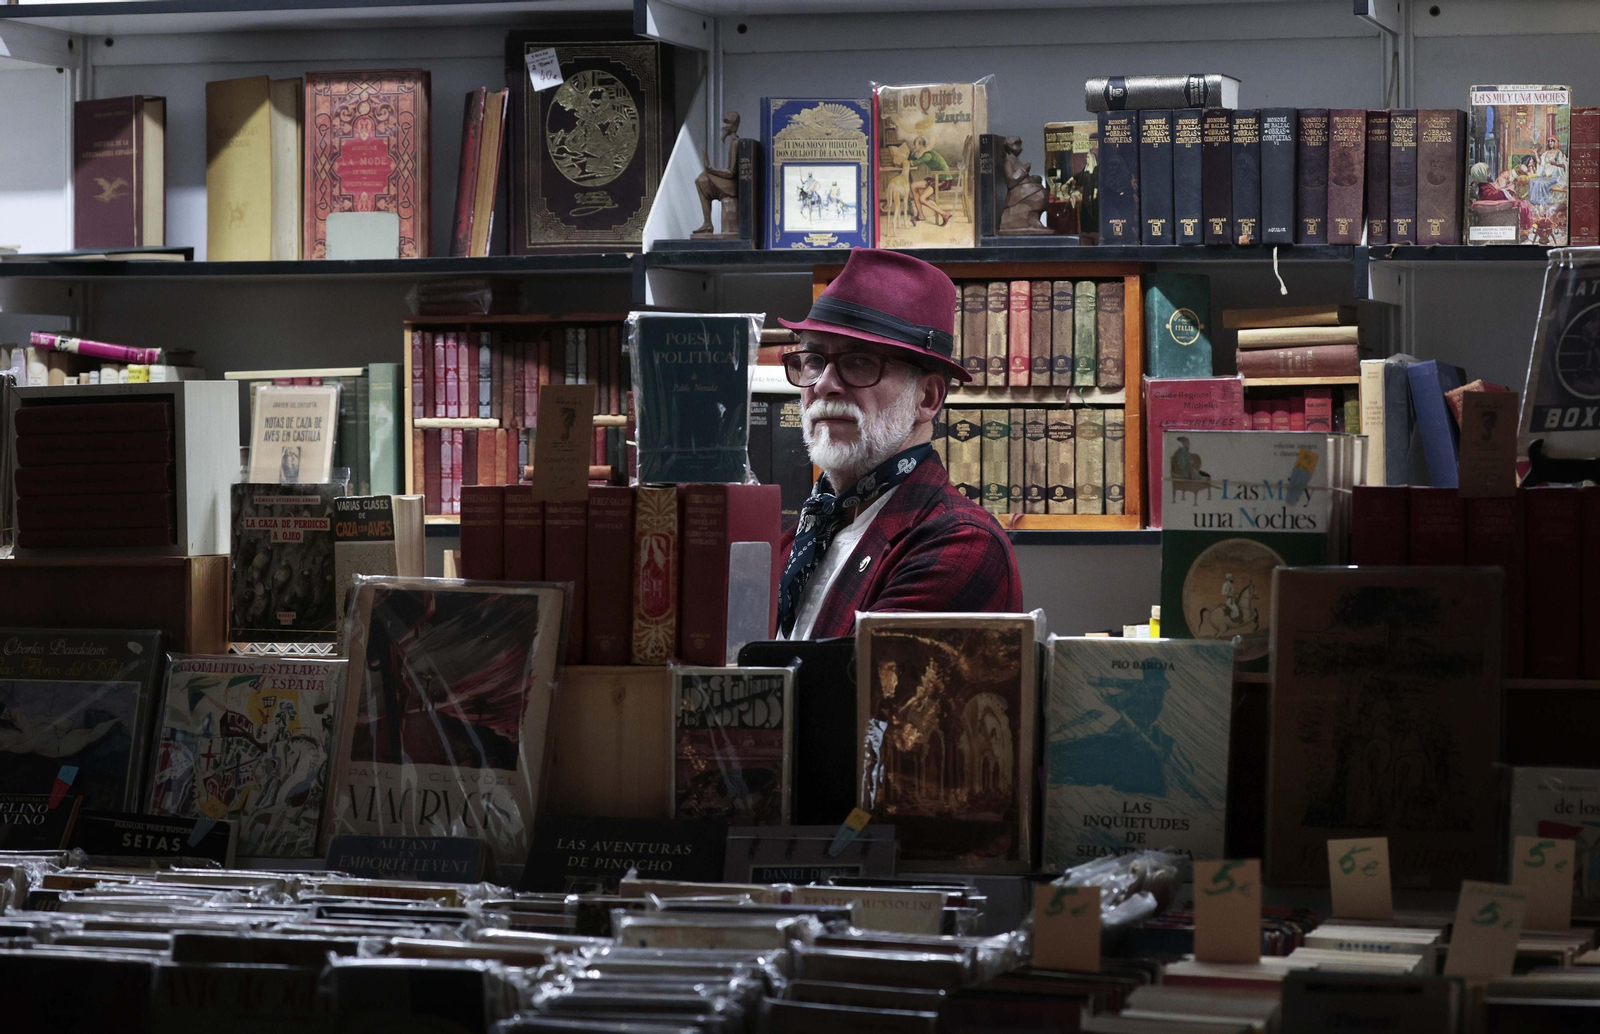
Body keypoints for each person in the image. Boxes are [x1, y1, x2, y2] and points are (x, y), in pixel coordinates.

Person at [774, 249, 1022, 640]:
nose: (823, 384)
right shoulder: (798, 536)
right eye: (813, 360)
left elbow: (845, 698)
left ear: (927, 398)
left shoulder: (961, 543)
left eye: (859, 363)